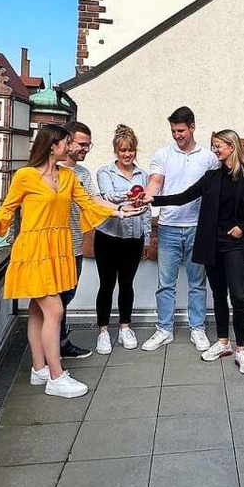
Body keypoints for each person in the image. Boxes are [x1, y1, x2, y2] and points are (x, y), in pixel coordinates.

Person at [0, 124, 140, 399]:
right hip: (34, 250)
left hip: (59, 249)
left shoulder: (68, 177)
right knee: (54, 311)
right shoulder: (25, 176)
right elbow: (8, 207)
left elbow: (90, 204)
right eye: (66, 142)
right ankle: (56, 376)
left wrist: (122, 213)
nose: (71, 146)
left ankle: (39, 368)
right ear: (53, 146)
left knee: (39, 312)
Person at [144, 129, 244, 374]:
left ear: (232, 146)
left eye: (219, 145)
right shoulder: (211, 177)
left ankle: (242, 351)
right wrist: (151, 200)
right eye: (213, 145)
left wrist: (243, 227)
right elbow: (183, 197)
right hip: (212, 243)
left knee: (238, 297)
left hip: (235, 244)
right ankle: (222, 343)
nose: (215, 150)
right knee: (218, 295)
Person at [141, 106, 219, 352]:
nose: (177, 135)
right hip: (168, 228)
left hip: (198, 228)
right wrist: (146, 196)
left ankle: (197, 329)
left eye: (181, 130)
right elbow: (155, 182)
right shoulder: (162, 154)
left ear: (193, 127)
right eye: (174, 131)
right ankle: (164, 329)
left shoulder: (209, 158)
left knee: (197, 282)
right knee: (166, 283)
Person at [94, 124, 151, 353]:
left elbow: (146, 209)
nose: (127, 155)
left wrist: (146, 238)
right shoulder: (105, 172)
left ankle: (125, 327)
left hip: (133, 237)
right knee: (107, 284)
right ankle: (103, 331)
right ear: (116, 151)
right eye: (122, 150)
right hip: (109, 236)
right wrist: (128, 195)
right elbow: (108, 196)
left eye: (131, 150)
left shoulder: (143, 175)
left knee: (127, 284)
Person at [57, 120, 99, 360]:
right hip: (53, 248)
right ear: (67, 141)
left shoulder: (82, 173)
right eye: (82, 144)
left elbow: (94, 201)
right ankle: (52, 351)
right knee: (54, 303)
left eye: (89, 145)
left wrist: (122, 208)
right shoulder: (47, 171)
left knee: (67, 296)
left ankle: (60, 343)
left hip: (75, 245)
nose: (85, 149)